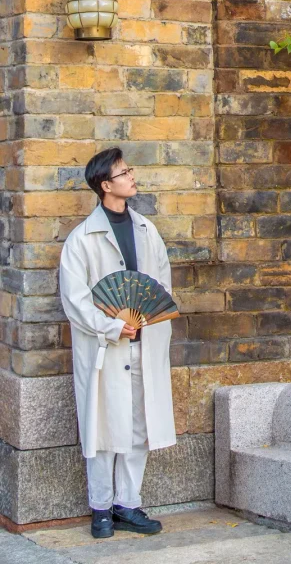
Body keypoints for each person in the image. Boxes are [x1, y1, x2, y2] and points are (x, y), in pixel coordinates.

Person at [59, 148, 176, 539]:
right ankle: (101, 508)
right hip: (105, 350)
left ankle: (129, 504)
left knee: (139, 427)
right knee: (104, 429)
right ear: (105, 185)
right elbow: (75, 301)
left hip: (145, 343)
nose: (132, 176)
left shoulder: (147, 229)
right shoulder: (82, 239)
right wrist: (110, 327)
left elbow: (161, 286)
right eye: (124, 173)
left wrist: (149, 322)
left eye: (130, 170)